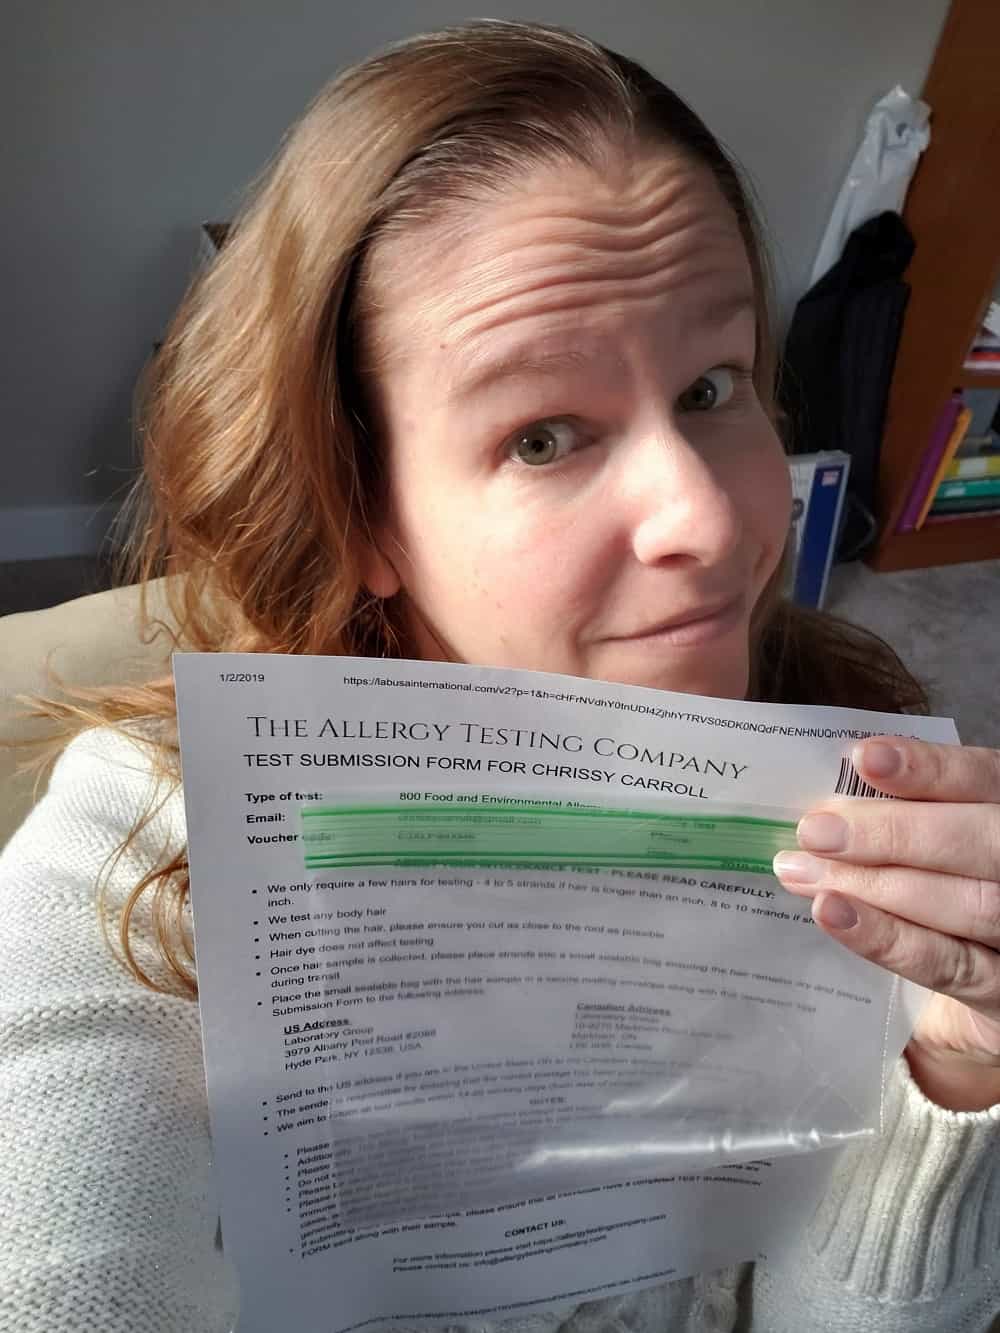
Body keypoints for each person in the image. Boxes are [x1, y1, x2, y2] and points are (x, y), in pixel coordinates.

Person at [2, 20, 999, 1333]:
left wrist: (958, 1083)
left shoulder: (866, 772)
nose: (706, 517)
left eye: (713, 384)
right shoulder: (139, 862)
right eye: (543, 435)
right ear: (360, 512)